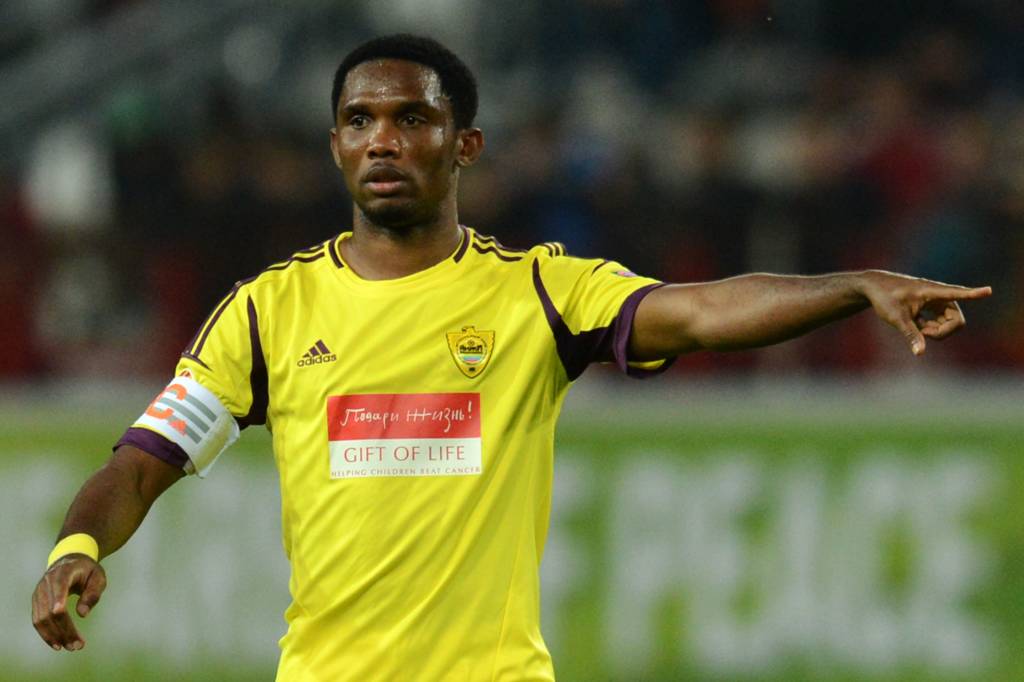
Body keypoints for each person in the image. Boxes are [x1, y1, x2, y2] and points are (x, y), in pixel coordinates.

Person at [31, 34, 992, 681]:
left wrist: (853, 285)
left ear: (466, 145)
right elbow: (141, 464)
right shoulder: (266, 313)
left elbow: (700, 314)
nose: (383, 140)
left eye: (412, 118)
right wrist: (75, 549)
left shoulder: (538, 293)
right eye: (361, 121)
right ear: (335, 146)